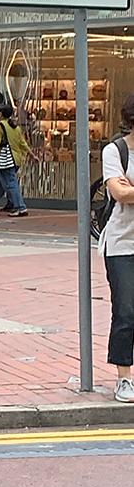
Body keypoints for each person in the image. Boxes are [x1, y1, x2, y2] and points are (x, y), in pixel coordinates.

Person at [101, 90, 134, 406]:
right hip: (122, 242)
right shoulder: (116, 151)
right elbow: (120, 193)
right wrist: (126, 190)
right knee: (126, 310)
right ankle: (124, 377)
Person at [0, 90, 30, 217]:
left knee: (10, 183)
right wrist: (31, 154)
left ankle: (20, 207)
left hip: (5, 160)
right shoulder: (15, 127)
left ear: (1, 114)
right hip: (15, 159)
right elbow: (22, 143)